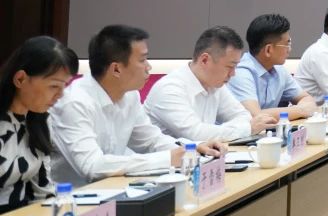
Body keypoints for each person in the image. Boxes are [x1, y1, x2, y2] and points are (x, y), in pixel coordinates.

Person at [51, 25, 223, 186]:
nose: (149, 67)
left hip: (113, 189)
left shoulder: (129, 95)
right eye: (142, 60)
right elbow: (92, 166)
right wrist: (167, 159)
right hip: (69, 198)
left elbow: (151, 140)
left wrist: (192, 148)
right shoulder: (75, 103)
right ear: (116, 69)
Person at [145, 26, 275, 142]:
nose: (233, 74)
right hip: (164, 161)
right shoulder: (169, 89)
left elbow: (243, 116)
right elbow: (195, 134)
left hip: (200, 158)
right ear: (205, 60)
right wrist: (246, 129)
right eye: (230, 66)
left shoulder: (215, 84)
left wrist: (231, 129)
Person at [0, 36, 76, 210]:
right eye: (54, 86)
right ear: (20, 79)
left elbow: (43, 191)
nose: (60, 94)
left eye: (64, 86)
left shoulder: (40, 120)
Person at [229, 13, 316, 121]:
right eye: (286, 44)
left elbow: (306, 98)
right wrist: (301, 110)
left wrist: (301, 109)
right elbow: (255, 117)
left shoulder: (279, 70)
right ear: (268, 50)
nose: (289, 49)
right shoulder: (240, 73)